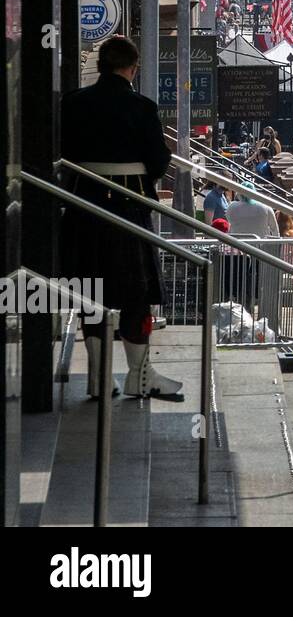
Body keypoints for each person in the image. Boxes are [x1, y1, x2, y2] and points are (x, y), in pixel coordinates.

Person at [61, 36, 180, 401]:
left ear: (100, 66)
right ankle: (138, 376)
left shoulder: (73, 103)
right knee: (135, 293)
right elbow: (159, 161)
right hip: (128, 208)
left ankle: (98, 376)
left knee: (90, 290)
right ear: (132, 67)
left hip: (85, 205)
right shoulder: (141, 107)